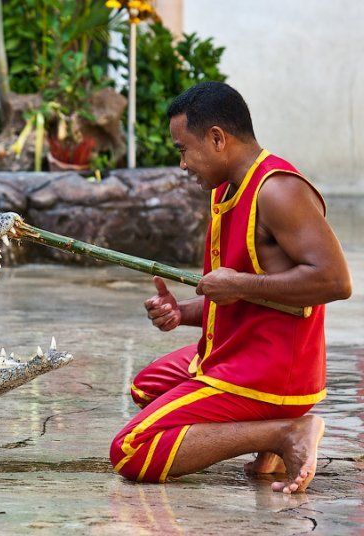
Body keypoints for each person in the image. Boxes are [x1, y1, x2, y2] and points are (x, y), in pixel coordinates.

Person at [109, 81, 352, 493]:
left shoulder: (277, 190)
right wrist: (182, 311)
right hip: (239, 350)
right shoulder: (227, 188)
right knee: (144, 387)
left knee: (131, 450)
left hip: (273, 372)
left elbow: (335, 280)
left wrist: (238, 282)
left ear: (218, 138)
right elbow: (248, 296)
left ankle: (282, 433)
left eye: (183, 149)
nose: (182, 164)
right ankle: (273, 439)